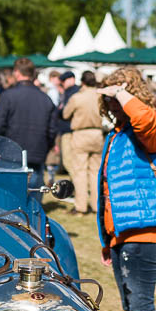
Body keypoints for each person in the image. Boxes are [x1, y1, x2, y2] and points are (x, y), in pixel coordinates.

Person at [95, 67, 156, 311]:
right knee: (131, 306)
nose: (114, 106)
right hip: (123, 234)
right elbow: (108, 192)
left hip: (145, 231)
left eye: (117, 100)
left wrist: (120, 91)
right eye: (109, 102)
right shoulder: (117, 135)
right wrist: (108, 240)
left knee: (141, 307)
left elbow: (141, 117)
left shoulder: (149, 126)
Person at [0, 57, 55, 186]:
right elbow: (52, 131)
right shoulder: (45, 99)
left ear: (17, 73)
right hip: (34, 153)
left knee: (9, 196)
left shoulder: (8, 96)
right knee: (31, 197)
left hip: (12, 153)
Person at [59, 71, 103, 215]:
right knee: (96, 172)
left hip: (80, 133)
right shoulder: (99, 96)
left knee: (79, 172)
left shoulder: (77, 97)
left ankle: (81, 206)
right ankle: (96, 206)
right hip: (97, 134)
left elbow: (65, 114)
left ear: (82, 82)